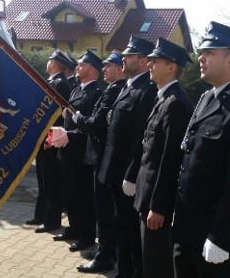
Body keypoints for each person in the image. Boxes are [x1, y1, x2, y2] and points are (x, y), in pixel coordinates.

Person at [172, 21, 230, 278]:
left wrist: (220, 236)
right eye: (202, 52)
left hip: (218, 237)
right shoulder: (207, 98)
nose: (200, 58)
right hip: (189, 229)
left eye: (209, 53)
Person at [98, 36, 157, 278]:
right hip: (114, 171)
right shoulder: (128, 87)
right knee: (120, 227)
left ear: (144, 61)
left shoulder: (148, 90)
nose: (124, 59)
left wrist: (132, 174)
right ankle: (124, 271)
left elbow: (141, 139)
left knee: (131, 230)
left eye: (129, 56)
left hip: (127, 176)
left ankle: (134, 272)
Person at [134, 38, 193, 278]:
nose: (149, 64)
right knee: (150, 261)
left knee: (158, 266)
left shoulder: (176, 103)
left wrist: (158, 206)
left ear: (172, 67)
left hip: (157, 204)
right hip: (147, 196)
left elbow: (170, 161)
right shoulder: (164, 98)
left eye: (155, 61)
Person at [74, 51, 127, 273]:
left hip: (104, 158)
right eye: (103, 66)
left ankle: (106, 255)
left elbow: (96, 123)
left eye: (109, 66)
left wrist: (78, 119)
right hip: (104, 156)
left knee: (105, 210)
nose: (104, 69)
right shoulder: (116, 90)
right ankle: (107, 250)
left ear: (119, 69)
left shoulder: (114, 91)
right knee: (105, 209)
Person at [50, 51, 103, 253]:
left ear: (92, 69)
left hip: (81, 153)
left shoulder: (95, 93)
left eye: (81, 64)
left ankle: (86, 235)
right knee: (70, 194)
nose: (77, 67)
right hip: (67, 150)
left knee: (83, 196)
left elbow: (90, 127)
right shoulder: (75, 89)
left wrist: (69, 135)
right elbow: (67, 118)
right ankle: (73, 228)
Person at [26, 50, 71, 232]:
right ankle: (40, 216)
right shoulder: (52, 82)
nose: (47, 62)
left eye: (49, 60)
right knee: (43, 181)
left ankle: (52, 221)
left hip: (51, 141)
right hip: (42, 140)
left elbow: (59, 118)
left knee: (52, 183)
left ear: (53, 63)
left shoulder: (61, 84)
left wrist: (50, 138)